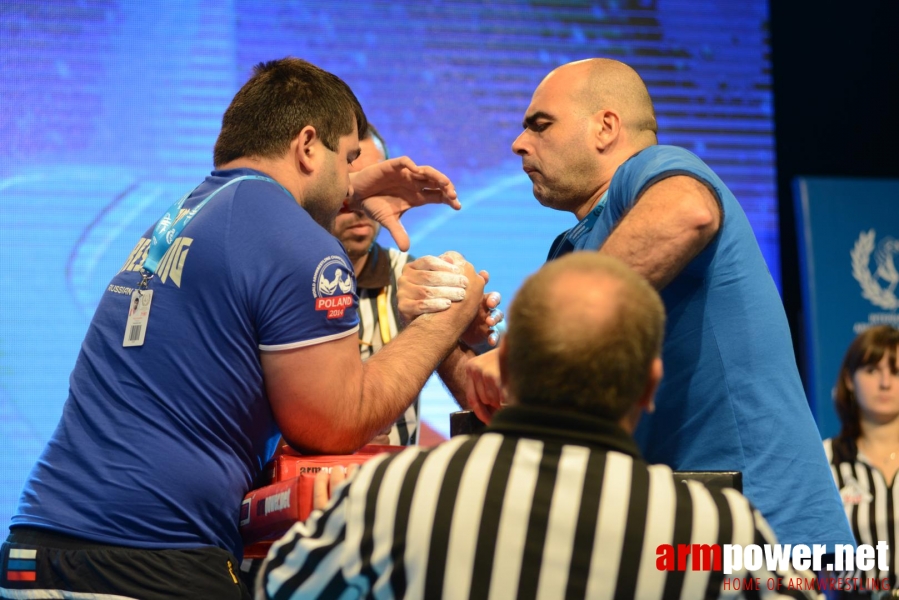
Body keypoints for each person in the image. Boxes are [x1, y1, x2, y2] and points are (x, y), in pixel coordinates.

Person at [1, 58, 487, 600]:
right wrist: (445, 318)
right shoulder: (298, 243)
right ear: (307, 145)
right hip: (146, 563)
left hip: (44, 549)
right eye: (348, 159)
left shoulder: (198, 209)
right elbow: (337, 422)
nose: (351, 180)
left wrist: (344, 189)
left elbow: (269, 229)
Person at [398, 57, 853, 551]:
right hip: (677, 542)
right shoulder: (571, 251)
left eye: (540, 124)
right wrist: (441, 325)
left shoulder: (652, 168)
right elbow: (508, 402)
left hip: (766, 532)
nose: (518, 142)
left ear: (606, 127)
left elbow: (687, 213)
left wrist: (519, 350)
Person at [257, 253, 818, 600]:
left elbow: (278, 589)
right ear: (650, 386)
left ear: (508, 363)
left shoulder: (395, 495)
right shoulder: (712, 527)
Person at [331, 125, 502, 446]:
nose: (363, 205)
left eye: (377, 183)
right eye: (354, 185)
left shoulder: (418, 279)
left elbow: (498, 403)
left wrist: (469, 335)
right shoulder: (284, 275)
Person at [824, 325, 899, 593]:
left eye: (896, 372)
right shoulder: (824, 461)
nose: (885, 383)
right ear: (848, 380)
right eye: (871, 370)